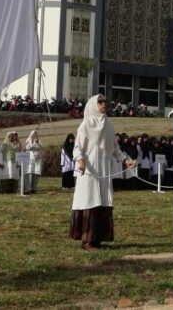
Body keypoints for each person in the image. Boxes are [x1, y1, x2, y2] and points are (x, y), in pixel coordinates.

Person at [70, 95, 135, 250]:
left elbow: (115, 148)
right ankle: (87, 240)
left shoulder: (108, 124)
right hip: (90, 169)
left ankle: (98, 238)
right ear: (93, 105)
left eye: (105, 101)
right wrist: (80, 160)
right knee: (90, 201)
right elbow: (78, 147)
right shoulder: (86, 124)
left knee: (103, 202)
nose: (104, 104)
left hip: (104, 169)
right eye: (100, 102)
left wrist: (126, 159)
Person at [24, 130, 43, 194]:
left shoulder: (39, 141)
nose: (35, 136)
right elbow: (28, 148)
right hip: (30, 160)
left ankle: (34, 189)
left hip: (37, 160)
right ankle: (28, 188)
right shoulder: (27, 141)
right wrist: (32, 142)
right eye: (33, 135)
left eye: (36, 135)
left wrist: (37, 142)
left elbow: (41, 147)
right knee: (30, 174)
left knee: (36, 175)